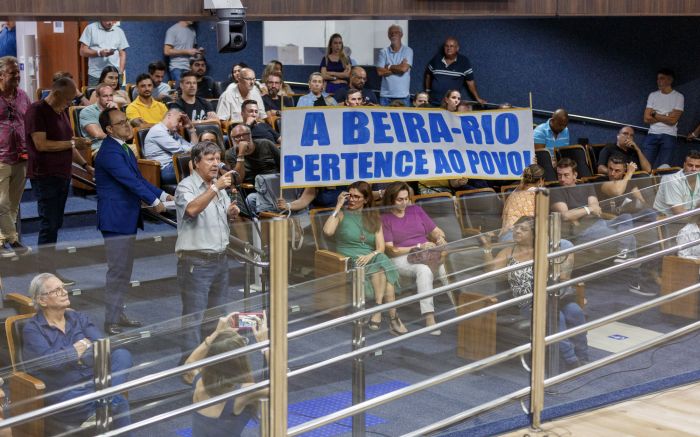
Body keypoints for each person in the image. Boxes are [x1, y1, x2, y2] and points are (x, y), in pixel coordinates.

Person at [95, 107, 172, 335]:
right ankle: (111, 321)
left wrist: (163, 194)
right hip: (115, 219)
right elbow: (131, 182)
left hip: (126, 218)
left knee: (124, 270)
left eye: (126, 121)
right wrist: (153, 200)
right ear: (109, 129)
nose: (127, 125)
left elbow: (139, 179)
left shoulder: (123, 149)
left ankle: (118, 313)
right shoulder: (109, 152)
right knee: (117, 270)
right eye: (121, 123)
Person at [22, 273, 133, 431]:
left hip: (93, 383)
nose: (64, 292)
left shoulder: (77, 318)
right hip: (65, 393)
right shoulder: (33, 329)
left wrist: (75, 356)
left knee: (122, 354)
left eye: (64, 288)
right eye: (57, 290)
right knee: (120, 403)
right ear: (42, 300)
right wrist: (76, 352)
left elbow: (101, 346)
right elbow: (51, 362)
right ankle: (109, 401)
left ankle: (107, 400)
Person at [483, 217, 589, 369]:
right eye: (516, 227)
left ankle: (583, 356)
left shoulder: (544, 250)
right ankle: (571, 360)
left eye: (523, 229)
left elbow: (562, 275)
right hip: (528, 303)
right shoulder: (508, 252)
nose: (517, 231)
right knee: (554, 317)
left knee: (575, 312)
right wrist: (487, 248)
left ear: (534, 234)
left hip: (552, 297)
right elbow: (491, 273)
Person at [175, 141, 240, 358]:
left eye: (218, 158)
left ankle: (212, 365)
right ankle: (189, 368)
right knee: (194, 318)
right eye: (210, 159)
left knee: (217, 317)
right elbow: (192, 210)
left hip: (220, 260)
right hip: (196, 263)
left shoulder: (218, 188)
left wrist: (229, 213)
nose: (216, 163)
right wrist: (215, 188)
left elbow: (214, 220)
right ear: (195, 163)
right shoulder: (186, 186)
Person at [25, 77, 92, 286]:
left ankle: (49, 271)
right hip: (44, 176)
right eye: (68, 99)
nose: (70, 104)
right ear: (56, 94)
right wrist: (72, 142)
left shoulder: (62, 112)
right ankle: (45, 276)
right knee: (49, 224)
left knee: (56, 224)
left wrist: (86, 165)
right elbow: (42, 144)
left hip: (63, 175)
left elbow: (69, 146)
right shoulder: (37, 111)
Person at [550, 158, 646, 295]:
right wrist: (588, 210)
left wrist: (581, 212)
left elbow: (597, 209)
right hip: (582, 233)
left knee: (626, 218)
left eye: (566, 175)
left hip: (600, 223)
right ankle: (632, 275)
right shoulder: (556, 192)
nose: (562, 179)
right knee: (630, 238)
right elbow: (566, 216)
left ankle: (623, 253)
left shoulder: (586, 187)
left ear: (575, 175)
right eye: (559, 175)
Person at [323, 181, 407, 335]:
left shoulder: (373, 217)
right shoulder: (341, 214)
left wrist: (371, 255)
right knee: (382, 266)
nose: (352, 200)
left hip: (370, 258)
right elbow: (328, 231)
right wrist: (338, 206)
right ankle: (393, 317)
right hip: (349, 260)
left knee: (380, 259)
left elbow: (380, 247)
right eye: (350, 196)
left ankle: (377, 308)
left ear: (366, 199)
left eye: (357, 197)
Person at [183, 314, 269, 436]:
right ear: (240, 360)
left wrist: (216, 334)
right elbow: (280, 389)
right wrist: (264, 345)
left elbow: (189, 364)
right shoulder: (244, 392)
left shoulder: (200, 383)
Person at [381, 182, 448, 333]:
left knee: (444, 267)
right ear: (391, 199)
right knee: (424, 270)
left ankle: (459, 306)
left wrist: (439, 239)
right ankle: (429, 318)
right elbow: (391, 250)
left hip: (426, 253)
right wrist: (417, 247)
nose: (404, 203)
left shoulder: (416, 210)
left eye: (406, 199)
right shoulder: (385, 218)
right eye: (400, 199)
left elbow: (437, 231)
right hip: (402, 256)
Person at [0, 56, 31, 257]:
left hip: (21, 155)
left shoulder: (23, 96)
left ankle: (2, 241)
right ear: (1, 75)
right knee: (1, 202)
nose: (17, 76)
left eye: (18, 72)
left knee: (13, 201)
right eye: (12, 73)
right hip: (1, 156)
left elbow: (29, 120)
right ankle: (12, 239)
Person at [424, 36, 486, 106]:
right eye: (446, 46)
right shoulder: (436, 59)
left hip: (452, 104)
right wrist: (427, 91)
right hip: (433, 102)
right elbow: (428, 75)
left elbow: (470, 82)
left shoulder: (464, 61)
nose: (448, 48)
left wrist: (477, 98)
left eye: (451, 46)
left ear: (457, 48)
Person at [641, 68, 684, 168]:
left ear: (670, 80)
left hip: (669, 135)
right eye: (658, 79)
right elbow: (646, 118)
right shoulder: (653, 95)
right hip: (652, 134)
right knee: (645, 167)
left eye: (662, 78)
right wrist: (667, 116)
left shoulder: (679, 96)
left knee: (664, 169)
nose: (658, 81)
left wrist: (655, 114)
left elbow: (673, 121)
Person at [144, 108, 198, 185]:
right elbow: (181, 150)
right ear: (169, 115)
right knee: (202, 165)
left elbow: (192, 147)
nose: (180, 125)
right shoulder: (157, 131)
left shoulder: (173, 133)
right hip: (164, 171)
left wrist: (191, 129)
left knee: (205, 165)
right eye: (179, 120)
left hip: (176, 165)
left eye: (182, 122)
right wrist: (199, 150)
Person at [499, 164, 545, 241]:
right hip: (519, 237)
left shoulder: (515, 191)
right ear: (541, 180)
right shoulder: (537, 194)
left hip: (504, 236)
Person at [79, 21, 129, 86]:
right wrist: (99, 53)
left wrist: (121, 72)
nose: (110, 23)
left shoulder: (119, 31)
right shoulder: (90, 28)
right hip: (96, 74)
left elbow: (122, 54)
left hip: (115, 75)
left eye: (112, 20)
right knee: (95, 95)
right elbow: (82, 51)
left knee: (119, 95)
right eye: (107, 20)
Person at [653, 150, 700, 215]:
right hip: (665, 218)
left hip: (690, 216)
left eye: (697, 166)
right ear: (684, 165)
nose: (694, 169)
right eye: (690, 165)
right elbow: (679, 212)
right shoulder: (672, 180)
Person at [376, 24, 413, 107]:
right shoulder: (383, 52)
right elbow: (379, 72)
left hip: (403, 96)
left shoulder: (408, 51)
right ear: (388, 36)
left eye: (396, 32)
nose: (393, 35)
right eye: (391, 33)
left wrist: (389, 66)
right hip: (385, 97)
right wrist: (398, 68)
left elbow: (403, 69)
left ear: (401, 35)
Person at [80, 83, 117, 155]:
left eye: (111, 95)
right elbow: (98, 134)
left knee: (137, 152)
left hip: (118, 145)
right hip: (99, 148)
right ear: (97, 96)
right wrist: (118, 137)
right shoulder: (87, 111)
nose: (109, 99)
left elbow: (127, 133)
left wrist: (115, 112)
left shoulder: (114, 109)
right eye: (105, 96)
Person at [164, 21, 201, 85]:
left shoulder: (192, 31)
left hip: (190, 68)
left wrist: (198, 52)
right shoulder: (172, 30)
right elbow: (167, 51)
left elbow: (192, 50)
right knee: (180, 91)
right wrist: (186, 51)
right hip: (177, 68)